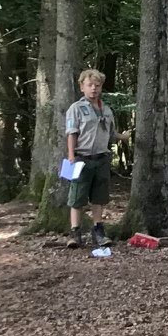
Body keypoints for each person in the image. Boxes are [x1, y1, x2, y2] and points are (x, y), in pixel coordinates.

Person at [63, 68, 120, 248]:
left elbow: (112, 133)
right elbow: (72, 133)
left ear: (101, 87)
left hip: (101, 158)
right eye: (90, 85)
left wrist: (123, 137)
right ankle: (75, 232)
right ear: (82, 87)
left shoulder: (107, 110)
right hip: (81, 158)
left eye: (97, 85)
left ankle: (98, 231)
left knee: (99, 197)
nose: (93, 89)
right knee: (77, 197)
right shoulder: (76, 108)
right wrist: (71, 156)